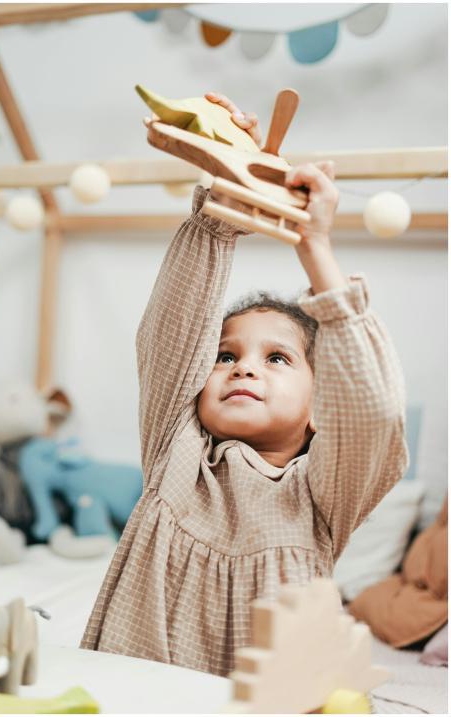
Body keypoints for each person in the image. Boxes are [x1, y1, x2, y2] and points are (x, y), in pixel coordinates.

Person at [81, 93, 408, 677]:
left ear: (318, 409)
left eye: (278, 358)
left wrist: (315, 246)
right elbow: (173, 333)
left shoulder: (321, 497)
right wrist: (223, 210)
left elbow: (372, 413)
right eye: (224, 355)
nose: (244, 368)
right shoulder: (175, 454)